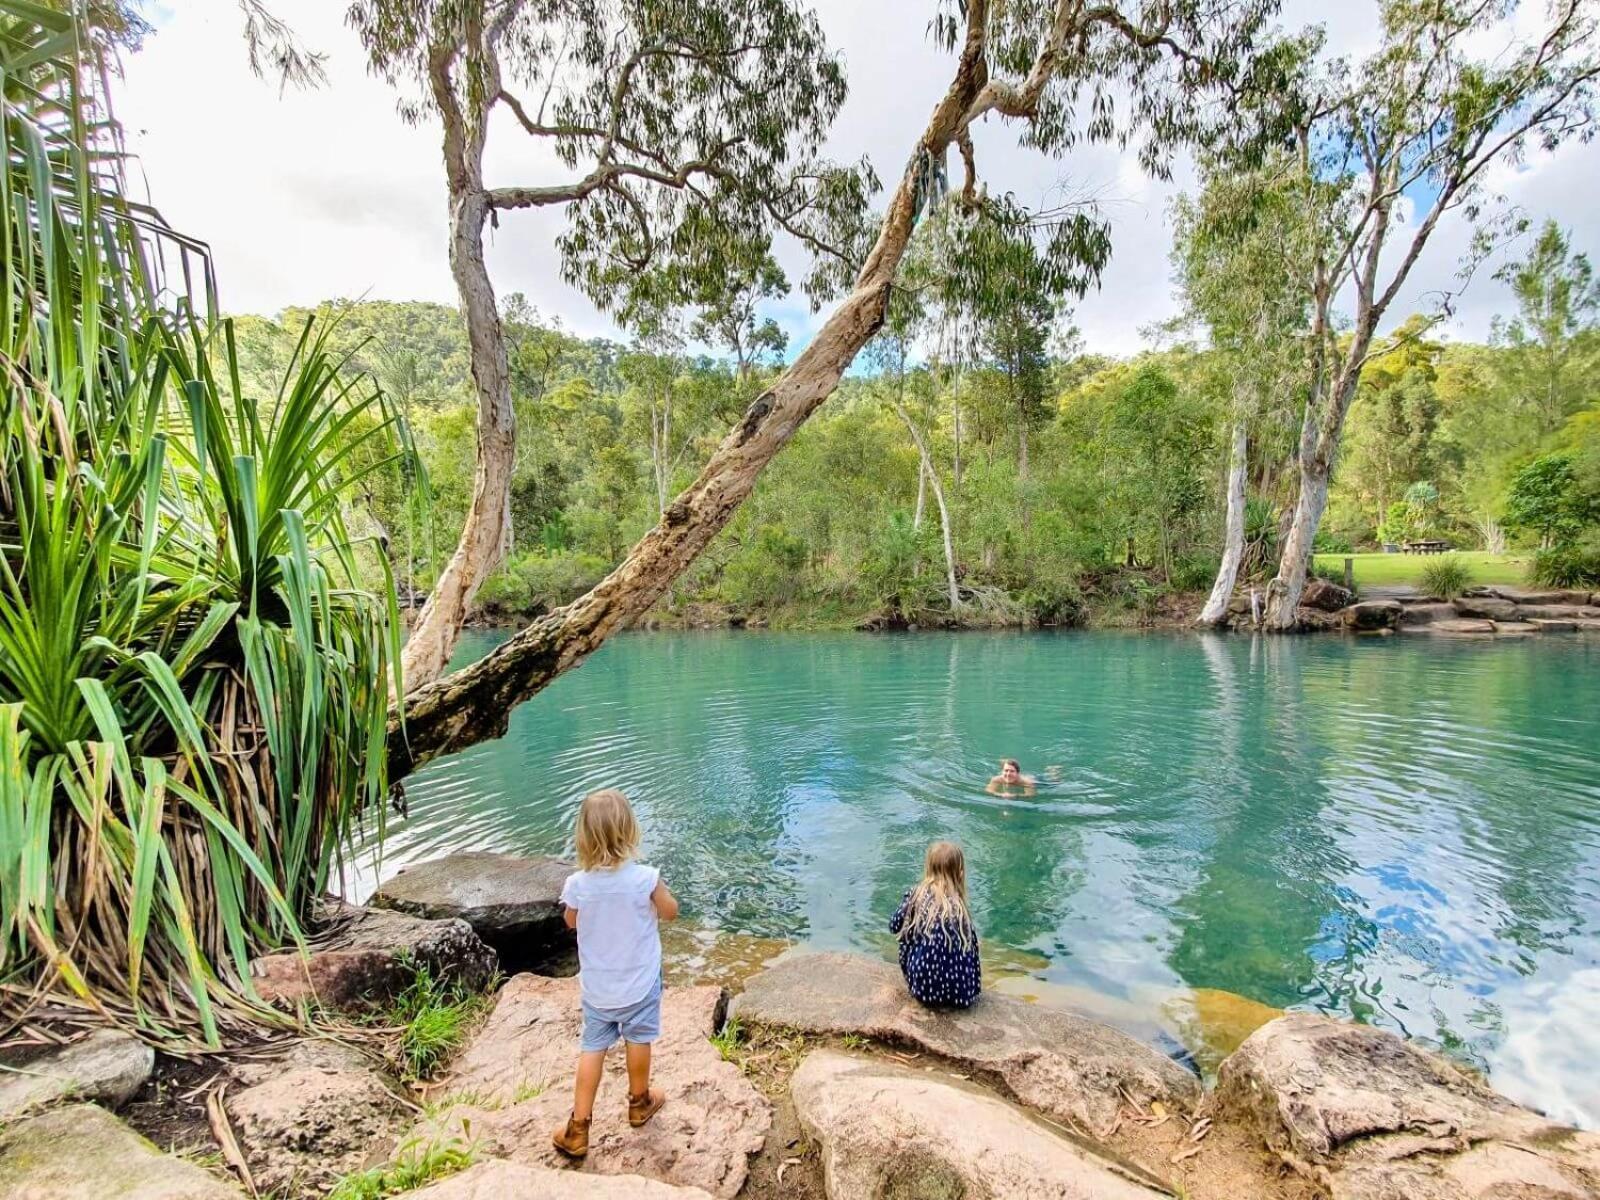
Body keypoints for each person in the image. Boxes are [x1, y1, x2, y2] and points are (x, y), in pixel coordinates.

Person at [551, 788, 680, 1159]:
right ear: (630, 832)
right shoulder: (645, 878)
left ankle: (578, 1127)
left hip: (598, 990)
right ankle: (639, 1102)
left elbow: (571, 922)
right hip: (639, 986)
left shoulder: (577, 885)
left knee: (592, 1049)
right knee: (638, 1040)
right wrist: (659, 901)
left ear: (583, 838)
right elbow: (670, 912)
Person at [889, 841, 981, 1009]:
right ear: (960, 873)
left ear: (929, 868)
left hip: (924, 991)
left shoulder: (916, 895)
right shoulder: (959, 906)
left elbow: (893, 925)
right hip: (962, 995)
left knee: (907, 933)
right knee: (969, 938)